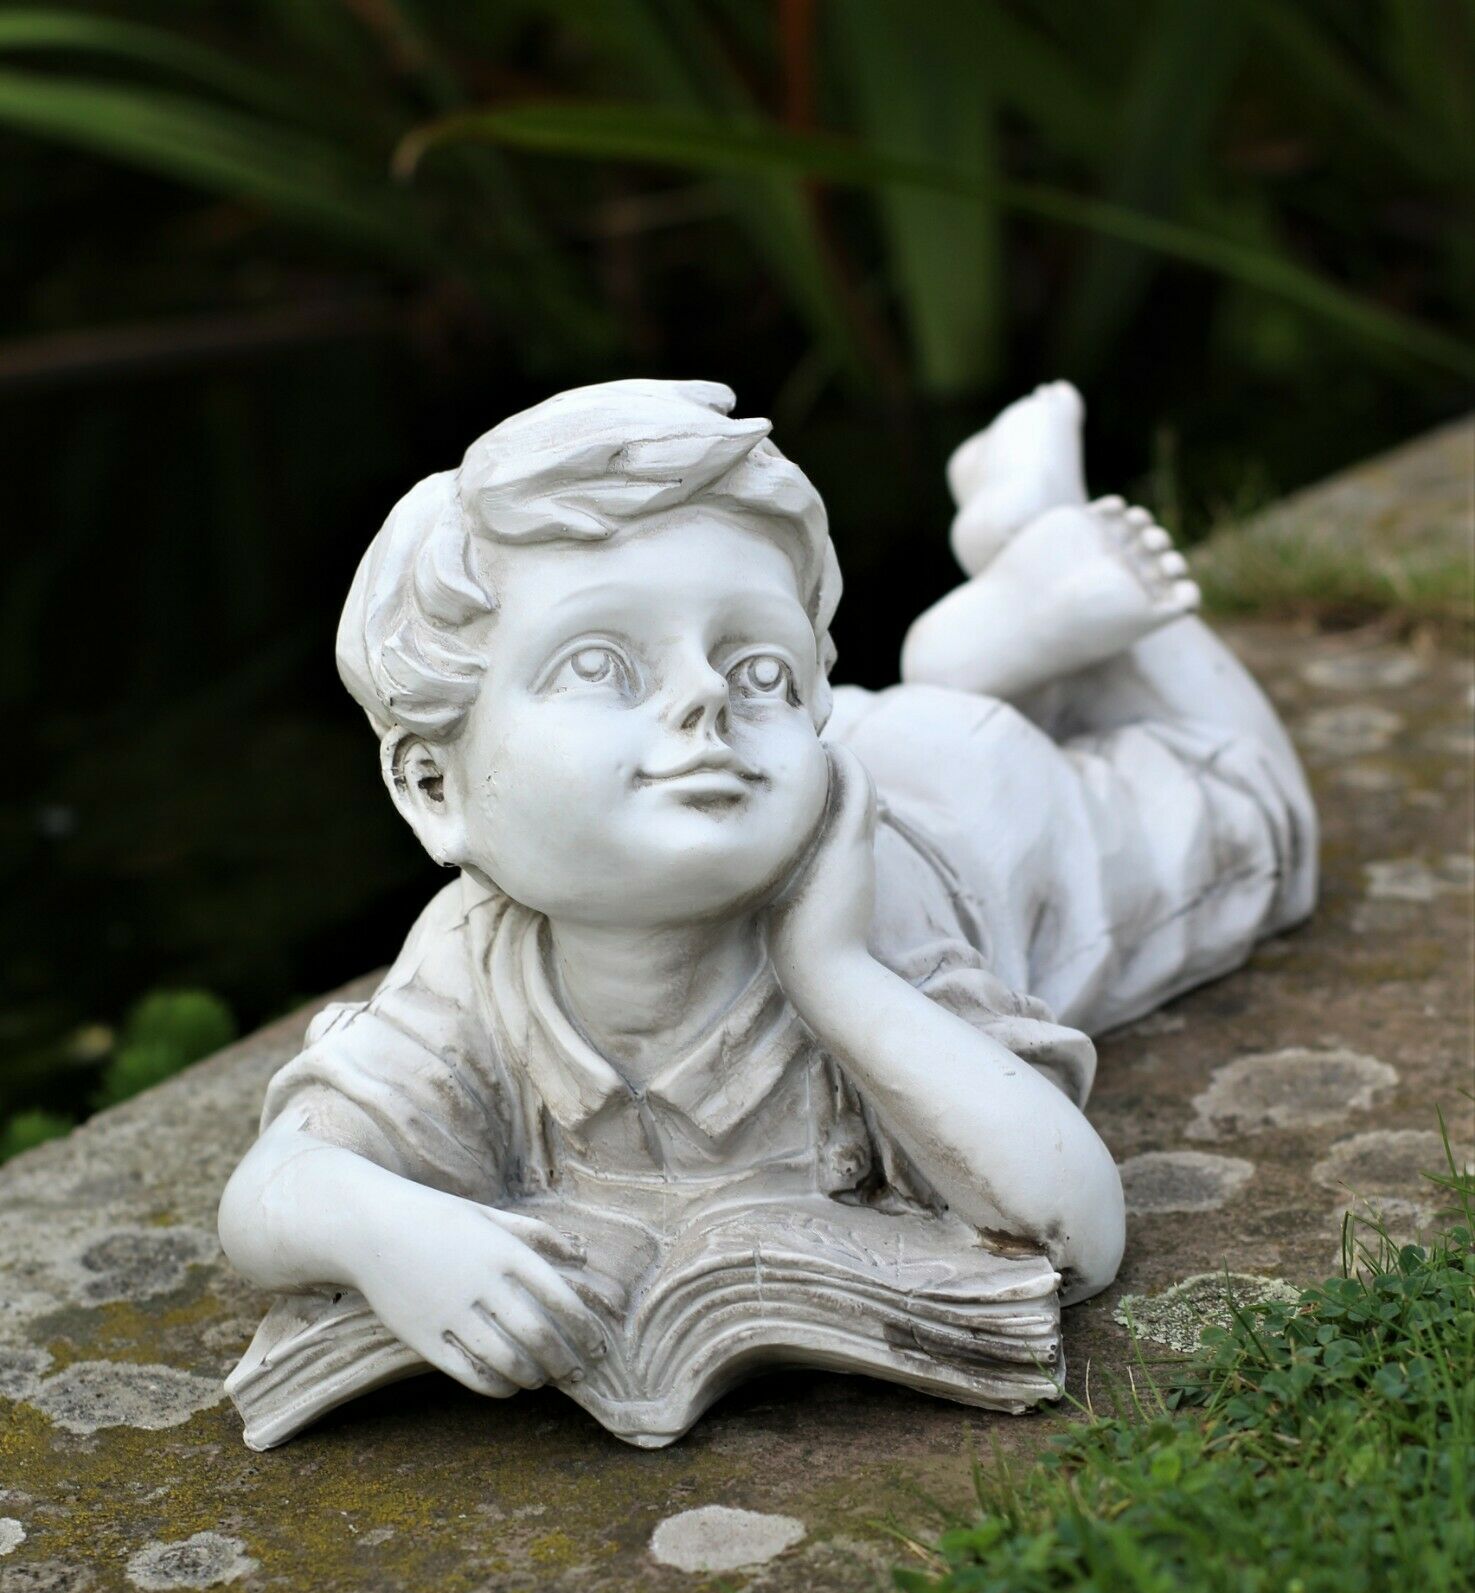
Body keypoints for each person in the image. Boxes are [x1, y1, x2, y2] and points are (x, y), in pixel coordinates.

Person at [218, 378, 1316, 1408]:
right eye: (601, 663)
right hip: (873, 751)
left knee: (1262, 827)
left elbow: (1074, 1230)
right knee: (927, 718)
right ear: (432, 784)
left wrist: (831, 971)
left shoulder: (873, 909)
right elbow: (278, 1187)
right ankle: (967, 648)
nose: (705, 694)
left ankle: (1040, 542)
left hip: (979, 805)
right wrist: (387, 1233)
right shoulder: (469, 960)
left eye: (760, 671)